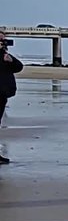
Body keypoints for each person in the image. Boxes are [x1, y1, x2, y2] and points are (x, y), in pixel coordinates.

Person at [0, 34, 23, 165]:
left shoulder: (4, 55)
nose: (4, 43)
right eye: (2, 40)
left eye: (4, 40)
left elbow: (19, 67)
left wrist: (10, 61)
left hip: (3, 93)